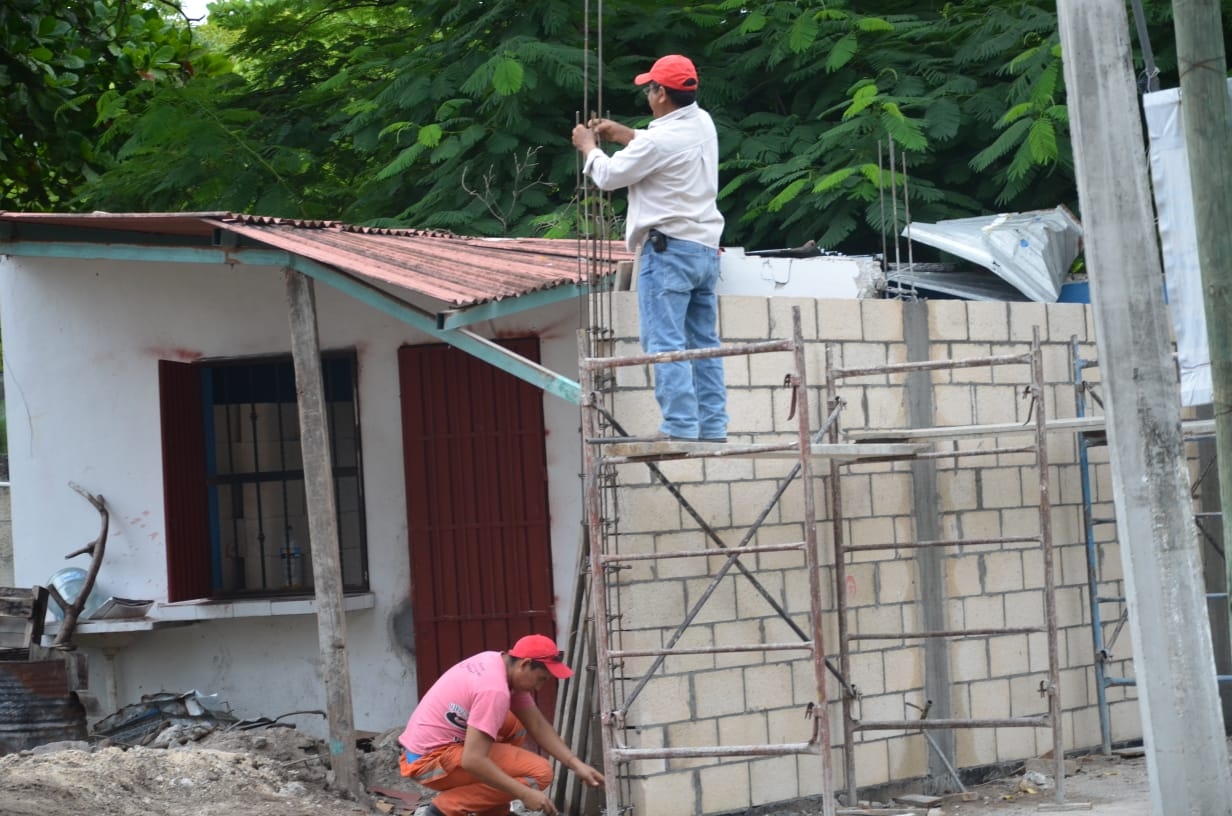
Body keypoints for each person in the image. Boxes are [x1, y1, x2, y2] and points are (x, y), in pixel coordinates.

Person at [571, 54, 729, 443]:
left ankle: (678, 426)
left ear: (660, 93)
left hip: (669, 252)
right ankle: (712, 427)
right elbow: (657, 146)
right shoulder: (702, 121)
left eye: (650, 88)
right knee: (703, 344)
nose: (647, 93)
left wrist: (589, 147)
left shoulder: (657, 142)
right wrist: (624, 133)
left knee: (665, 342)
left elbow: (608, 176)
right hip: (705, 249)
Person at [398, 634, 604, 816]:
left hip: (426, 751)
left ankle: (495, 812)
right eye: (540, 679)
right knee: (539, 773)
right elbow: (473, 760)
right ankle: (445, 809)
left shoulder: (495, 661)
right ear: (524, 664)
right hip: (428, 764)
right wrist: (524, 793)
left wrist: (576, 765)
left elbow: (537, 725)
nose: (539, 687)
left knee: (514, 724)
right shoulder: (494, 691)